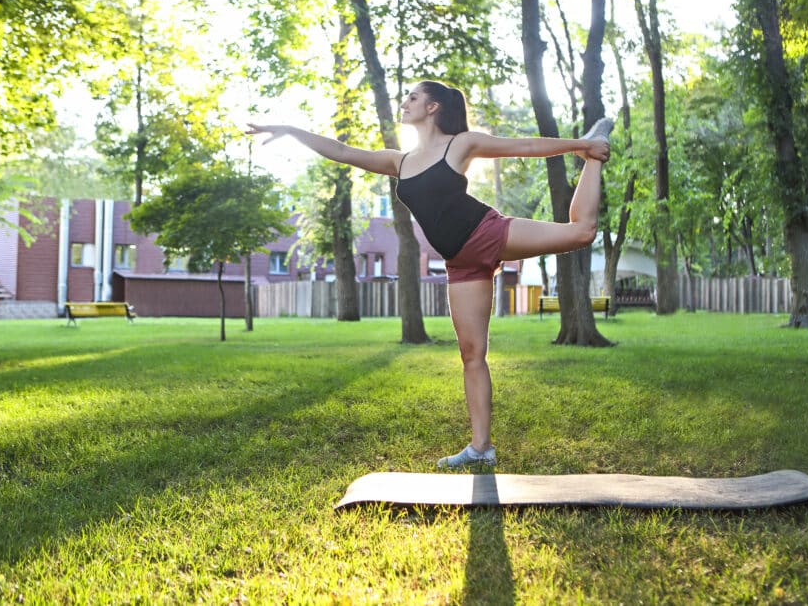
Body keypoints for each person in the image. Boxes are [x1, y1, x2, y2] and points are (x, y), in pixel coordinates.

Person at [247, 80, 611, 469]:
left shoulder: (461, 145)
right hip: (460, 264)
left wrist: (580, 146)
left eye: (413, 97)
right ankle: (480, 448)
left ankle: (595, 152)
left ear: (433, 107)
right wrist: (289, 130)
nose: (404, 103)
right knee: (472, 354)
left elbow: (522, 146)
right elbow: (341, 151)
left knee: (581, 232)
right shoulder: (399, 162)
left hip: (487, 233)